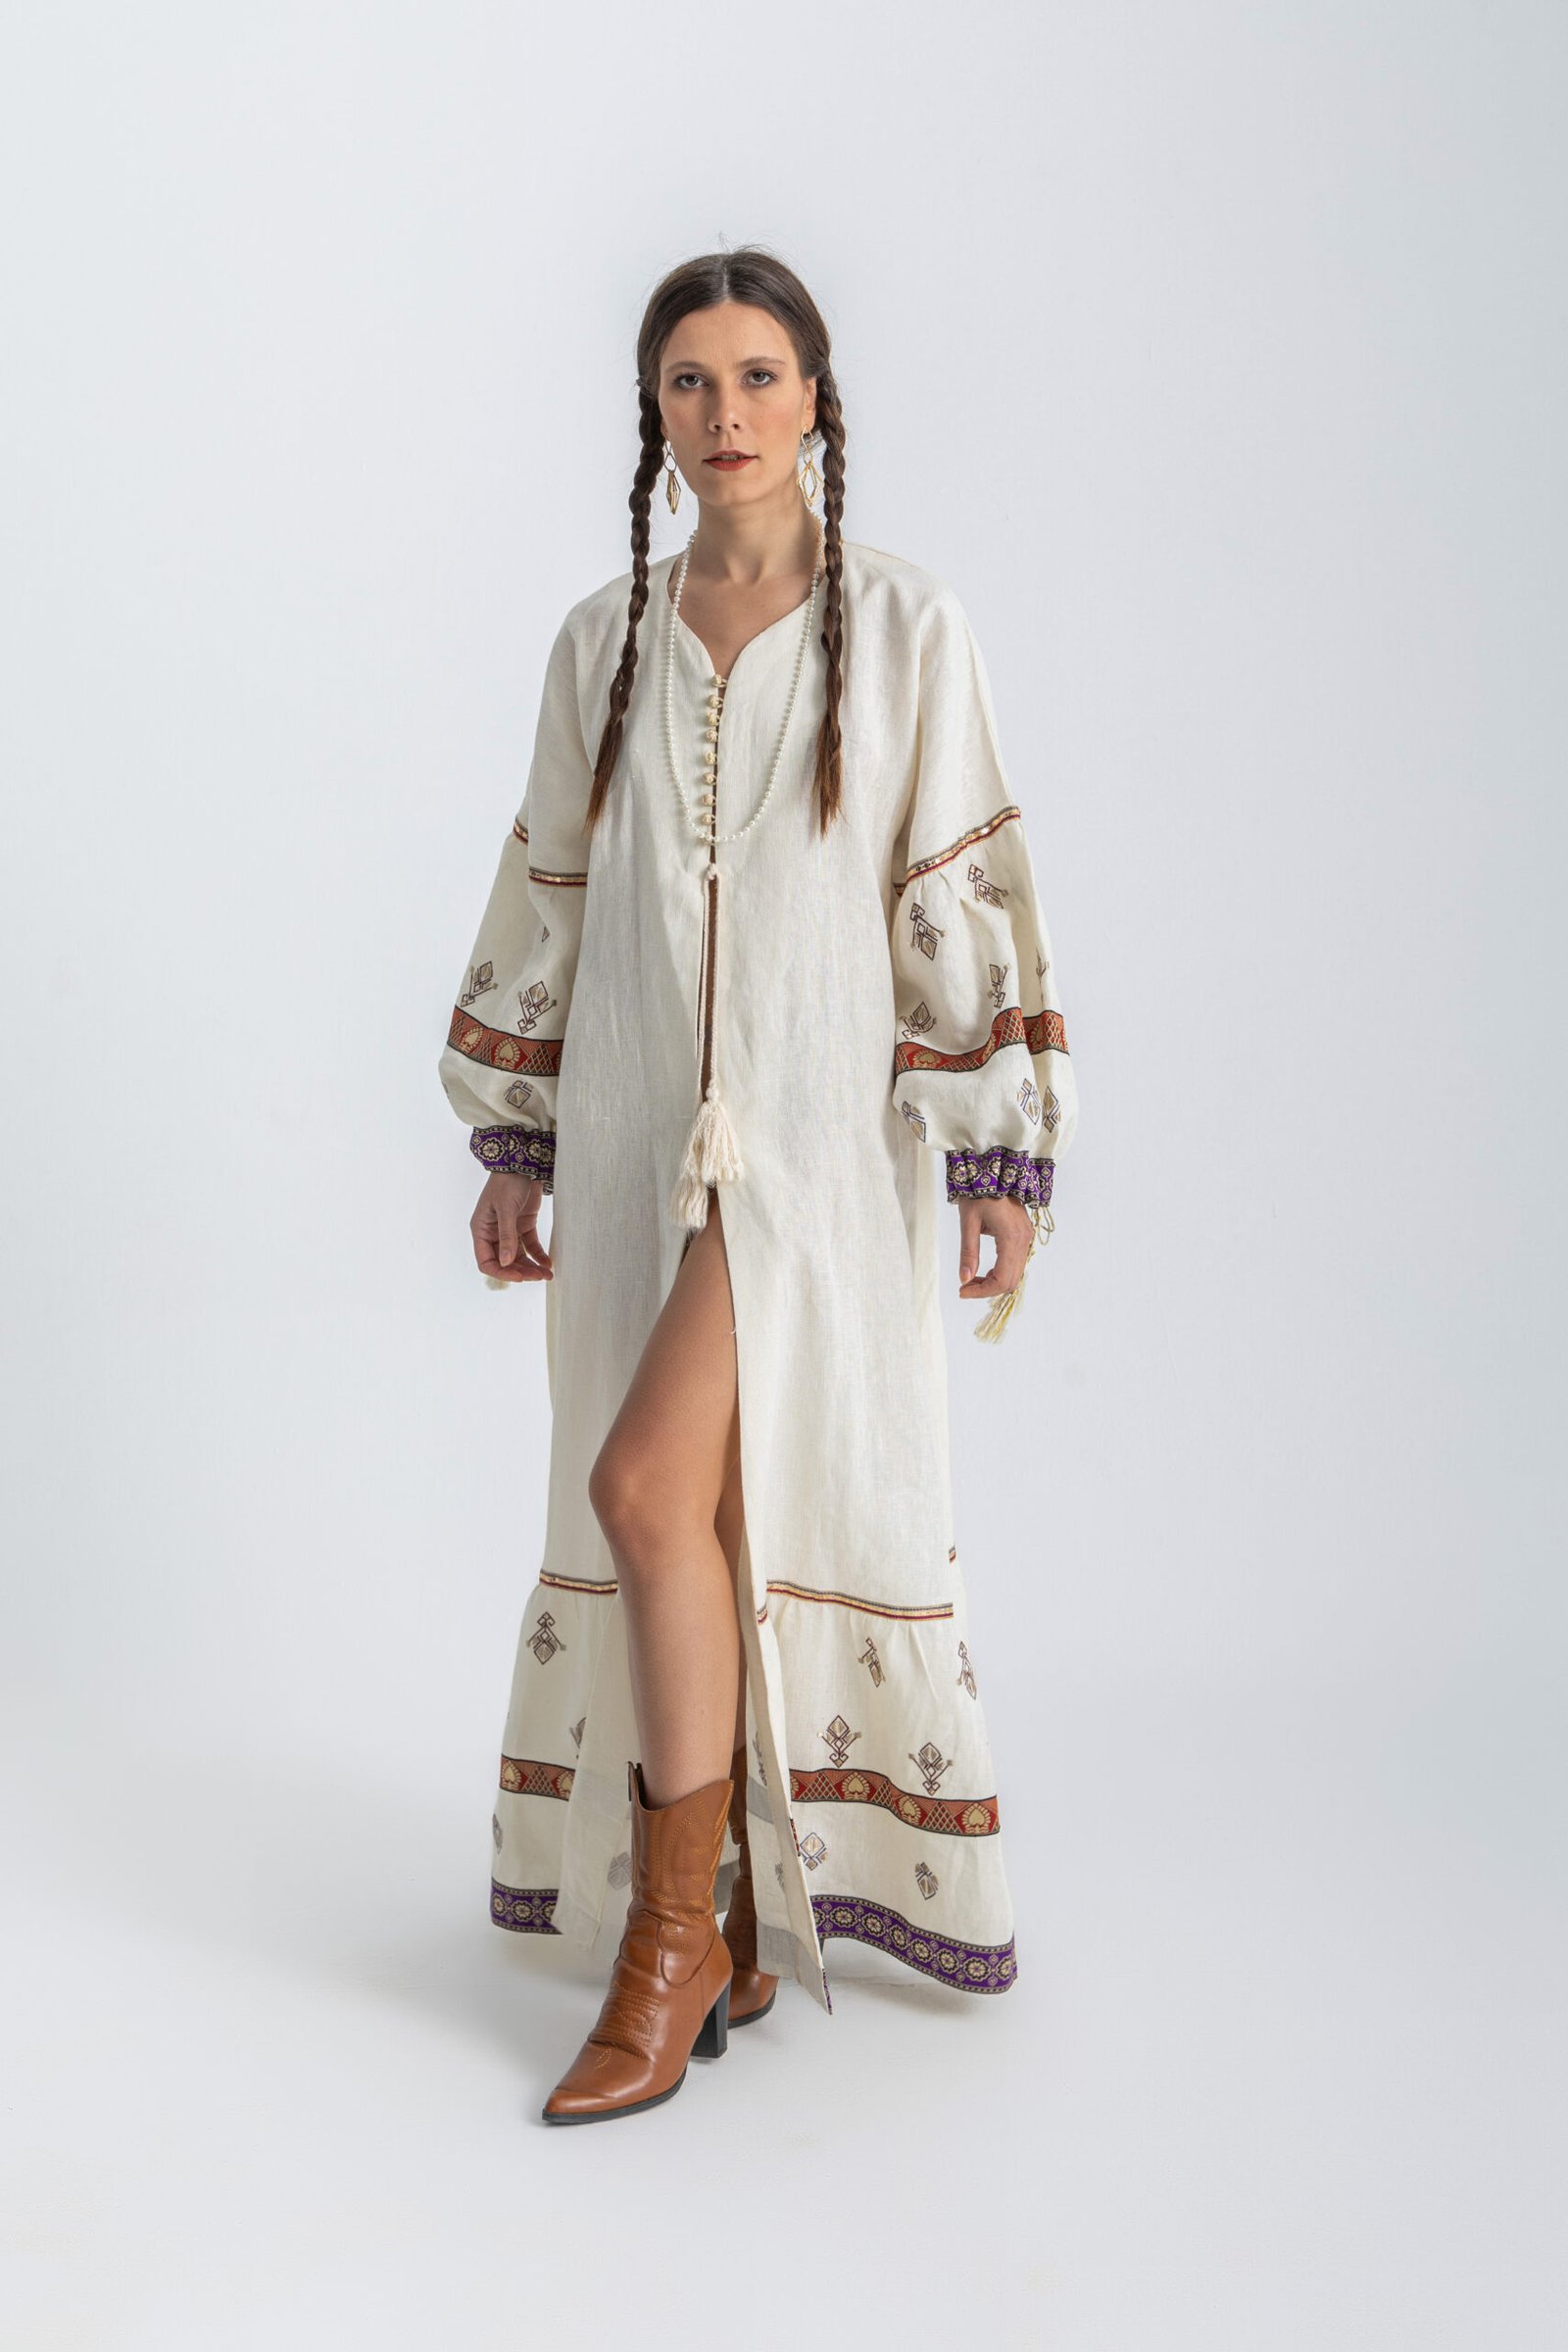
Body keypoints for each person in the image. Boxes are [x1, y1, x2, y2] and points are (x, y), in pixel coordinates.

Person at [438, 245, 1079, 2126]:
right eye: (691, 382)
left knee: (645, 1486)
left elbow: (949, 881)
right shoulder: (605, 640)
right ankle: (714, 1902)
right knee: (689, 1513)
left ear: (819, 398)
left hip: (811, 1142)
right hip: (637, 1128)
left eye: (761, 375)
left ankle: (668, 1947)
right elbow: (555, 889)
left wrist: (999, 1140)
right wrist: (520, 1132)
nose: (727, 414)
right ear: (653, 412)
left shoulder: (906, 627)